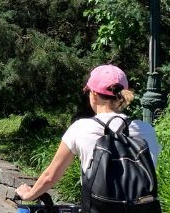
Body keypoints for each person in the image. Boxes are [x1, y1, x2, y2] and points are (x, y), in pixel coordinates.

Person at [15, 65, 161, 205]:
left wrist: (29, 195)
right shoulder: (147, 130)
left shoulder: (80, 128)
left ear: (94, 95)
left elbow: (50, 176)